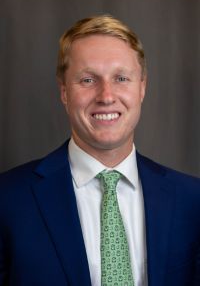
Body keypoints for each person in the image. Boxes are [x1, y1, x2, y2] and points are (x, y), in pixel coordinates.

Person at [0, 15, 200, 286]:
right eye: (87, 80)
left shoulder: (192, 201)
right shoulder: (8, 200)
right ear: (64, 92)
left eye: (121, 78)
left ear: (142, 87)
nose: (106, 96)